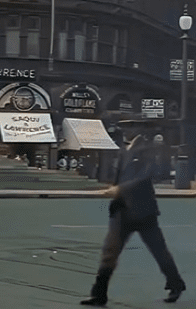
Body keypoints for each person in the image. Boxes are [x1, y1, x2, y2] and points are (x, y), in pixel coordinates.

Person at [81, 129, 186, 306]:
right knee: (109, 253)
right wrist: (114, 189)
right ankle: (99, 294)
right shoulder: (124, 150)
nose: (124, 130)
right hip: (122, 210)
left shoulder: (147, 149)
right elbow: (120, 176)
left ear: (135, 130)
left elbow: (146, 176)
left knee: (159, 250)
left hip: (143, 211)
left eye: (127, 126)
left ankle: (176, 283)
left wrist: (121, 189)